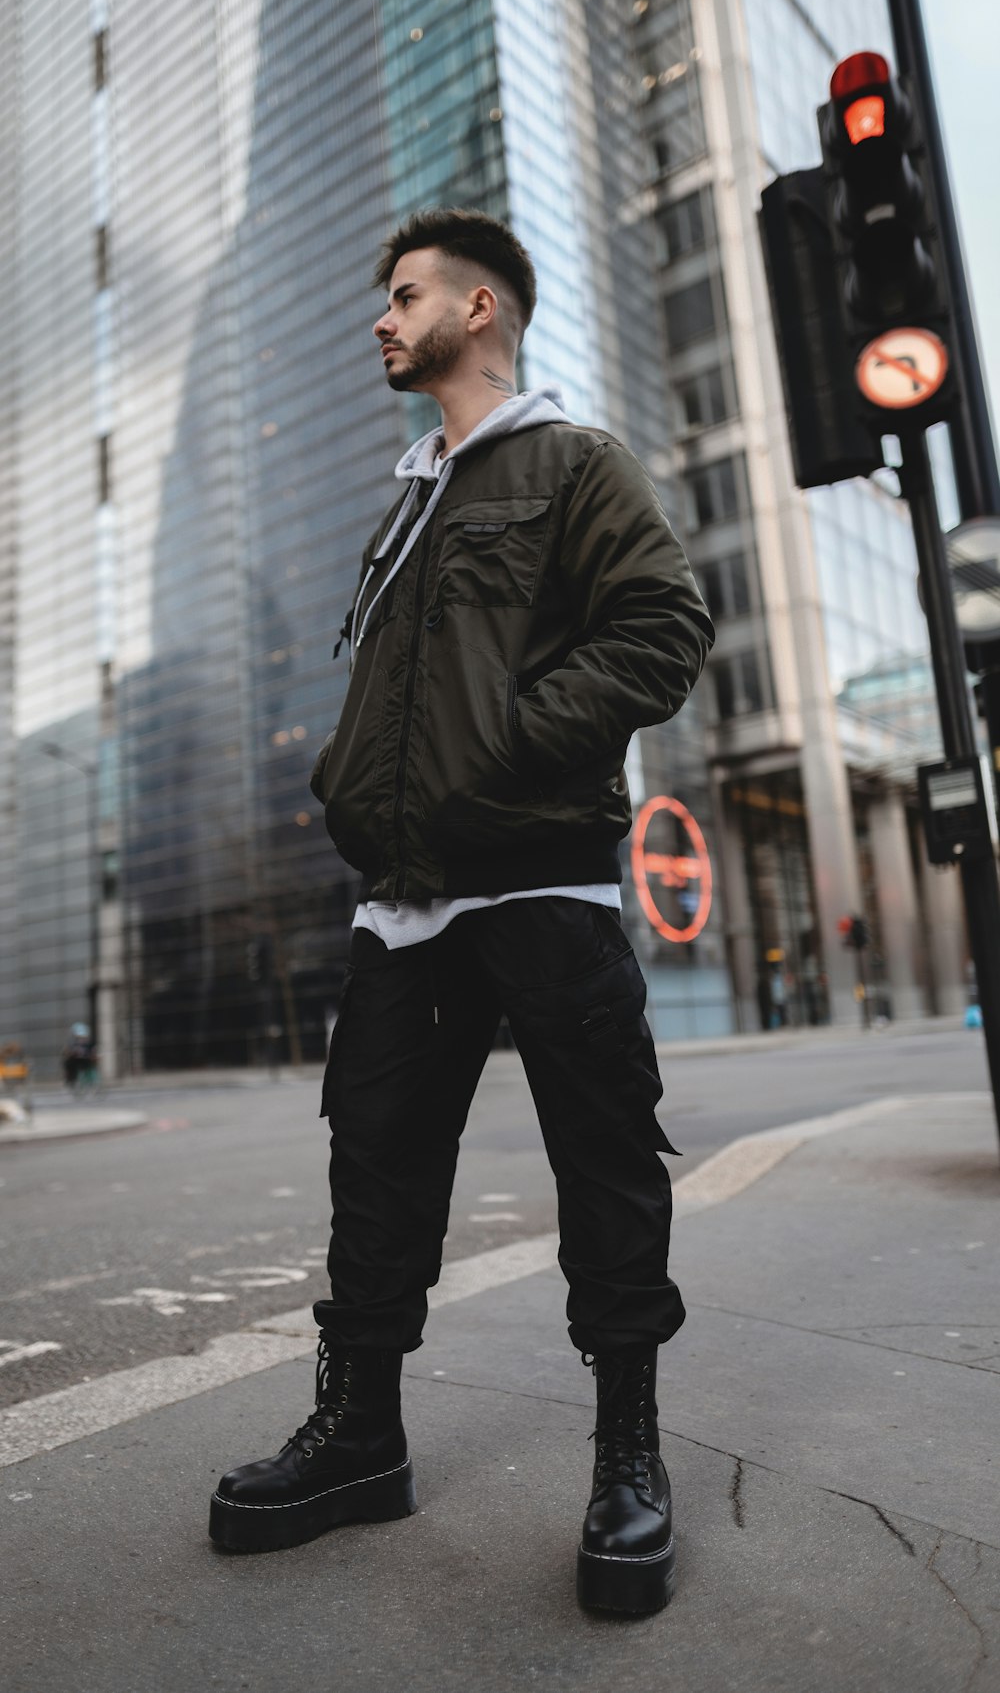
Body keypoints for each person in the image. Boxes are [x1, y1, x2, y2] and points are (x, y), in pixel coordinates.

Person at [210, 209, 714, 1614]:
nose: (383, 317)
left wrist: (513, 745)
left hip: (542, 881)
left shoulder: (570, 466)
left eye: (406, 294)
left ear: (480, 308)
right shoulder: (410, 500)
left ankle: (629, 1455)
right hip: (406, 906)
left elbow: (664, 624)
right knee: (372, 1165)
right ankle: (360, 1432)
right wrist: (347, 786)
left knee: (606, 1164)